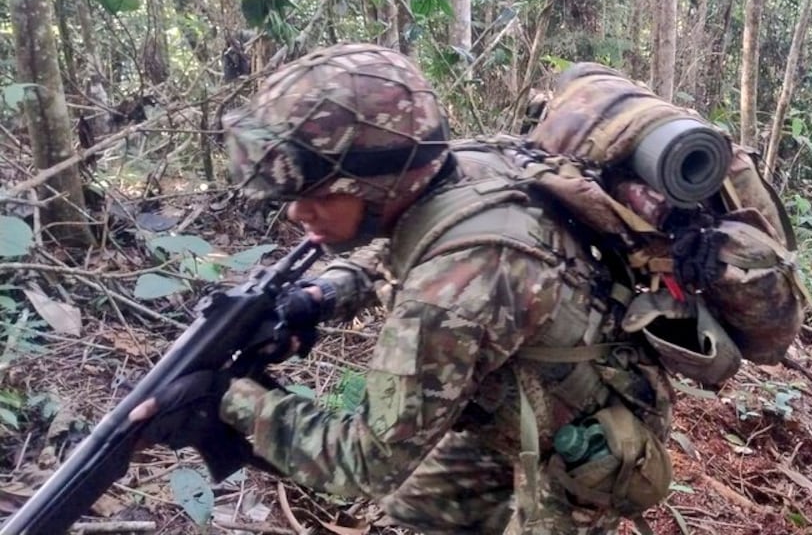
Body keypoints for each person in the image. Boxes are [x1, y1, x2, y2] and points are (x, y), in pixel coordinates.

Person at [128, 43, 676, 534]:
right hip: (532, 398)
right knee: (418, 503)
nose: (297, 211)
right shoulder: (469, 168)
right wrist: (320, 297)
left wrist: (233, 401)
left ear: (376, 183)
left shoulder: (454, 289)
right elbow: (409, 241)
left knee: (408, 484)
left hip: (591, 449)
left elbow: (363, 463)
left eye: (316, 192)